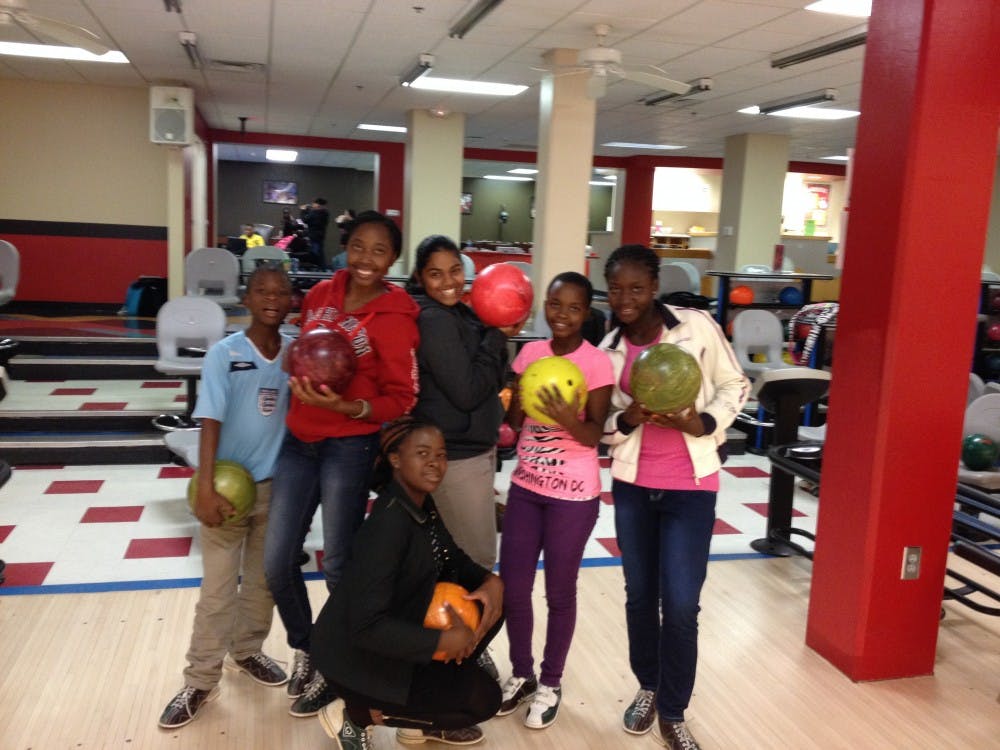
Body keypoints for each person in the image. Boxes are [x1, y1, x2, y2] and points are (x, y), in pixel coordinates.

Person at [264, 210, 421, 718]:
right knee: (276, 560)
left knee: (338, 567)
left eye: (379, 250)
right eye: (357, 246)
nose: (366, 259)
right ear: (344, 247)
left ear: (392, 259)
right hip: (298, 439)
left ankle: (342, 662)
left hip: (349, 445)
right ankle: (309, 646)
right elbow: (306, 352)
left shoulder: (397, 320)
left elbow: (399, 399)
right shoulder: (318, 296)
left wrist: (346, 407)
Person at [601, 245, 749, 750]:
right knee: (641, 597)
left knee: (682, 605)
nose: (625, 298)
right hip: (634, 487)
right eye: (616, 288)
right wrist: (629, 419)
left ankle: (674, 710)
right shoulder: (608, 348)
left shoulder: (696, 328)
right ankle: (648, 685)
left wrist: (702, 423)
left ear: (654, 287)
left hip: (691, 485)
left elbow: (736, 385)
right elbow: (602, 426)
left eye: (636, 288)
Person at [312, 417, 504, 749]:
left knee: (493, 604)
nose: (435, 463)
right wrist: (442, 640)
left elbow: (452, 557)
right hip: (355, 658)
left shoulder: (419, 502)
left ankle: (425, 712)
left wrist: (491, 581)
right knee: (482, 701)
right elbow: (366, 627)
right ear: (397, 460)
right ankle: (356, 715)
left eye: (441, 454)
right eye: (423, 453)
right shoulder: (387, 526)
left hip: (398, 632)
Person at [157, 265, 294, 729]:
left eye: (280, 292)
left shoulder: (296, 356)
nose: (272, 298)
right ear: (247, 298)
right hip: (225, 489)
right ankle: (200, 679)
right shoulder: (225, 353)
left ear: (291, 300)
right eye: (262, 291)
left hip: (275, 490)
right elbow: (209, 422)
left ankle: (248, 651)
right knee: (217, 592)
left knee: (262, 585)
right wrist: (206, 486)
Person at [495, 271, 614, 729]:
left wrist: (567, 415)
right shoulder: (529, 353)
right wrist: (517, 397)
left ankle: (550, 681)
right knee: (514, 588)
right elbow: (513, 421)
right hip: (526, 488)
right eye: (554, 304)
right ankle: (522, 674)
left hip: (574, 497)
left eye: (573, 308)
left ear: (586, 313)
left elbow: (593, 436)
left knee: (560, 593)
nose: (561, 315)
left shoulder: (596, 363)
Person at [407, 236, 520, 571]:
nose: (449, 281)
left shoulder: (461, 314)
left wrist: (494, 337)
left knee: (457, 557)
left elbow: (497, 378)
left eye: (455, 270)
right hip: (456, 455)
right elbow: (468, 392)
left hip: (475, 447)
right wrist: (497, 336)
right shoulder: (434, 320)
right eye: (436, 274)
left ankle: (449, 622)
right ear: (419, 277)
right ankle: (465, 625)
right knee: (478, 560)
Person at [300, 197, 331, 267]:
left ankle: (317, 269)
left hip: (314, 237)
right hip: (320, 236)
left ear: (318, 205)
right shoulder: (325, 213)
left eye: (314, 204)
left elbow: (305, 219)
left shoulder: (315, 213)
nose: (312, 205)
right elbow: (312, 218)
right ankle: (323, 269)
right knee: (320, 253)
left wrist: (303, 210)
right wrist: (308, 210)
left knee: (315, 255)